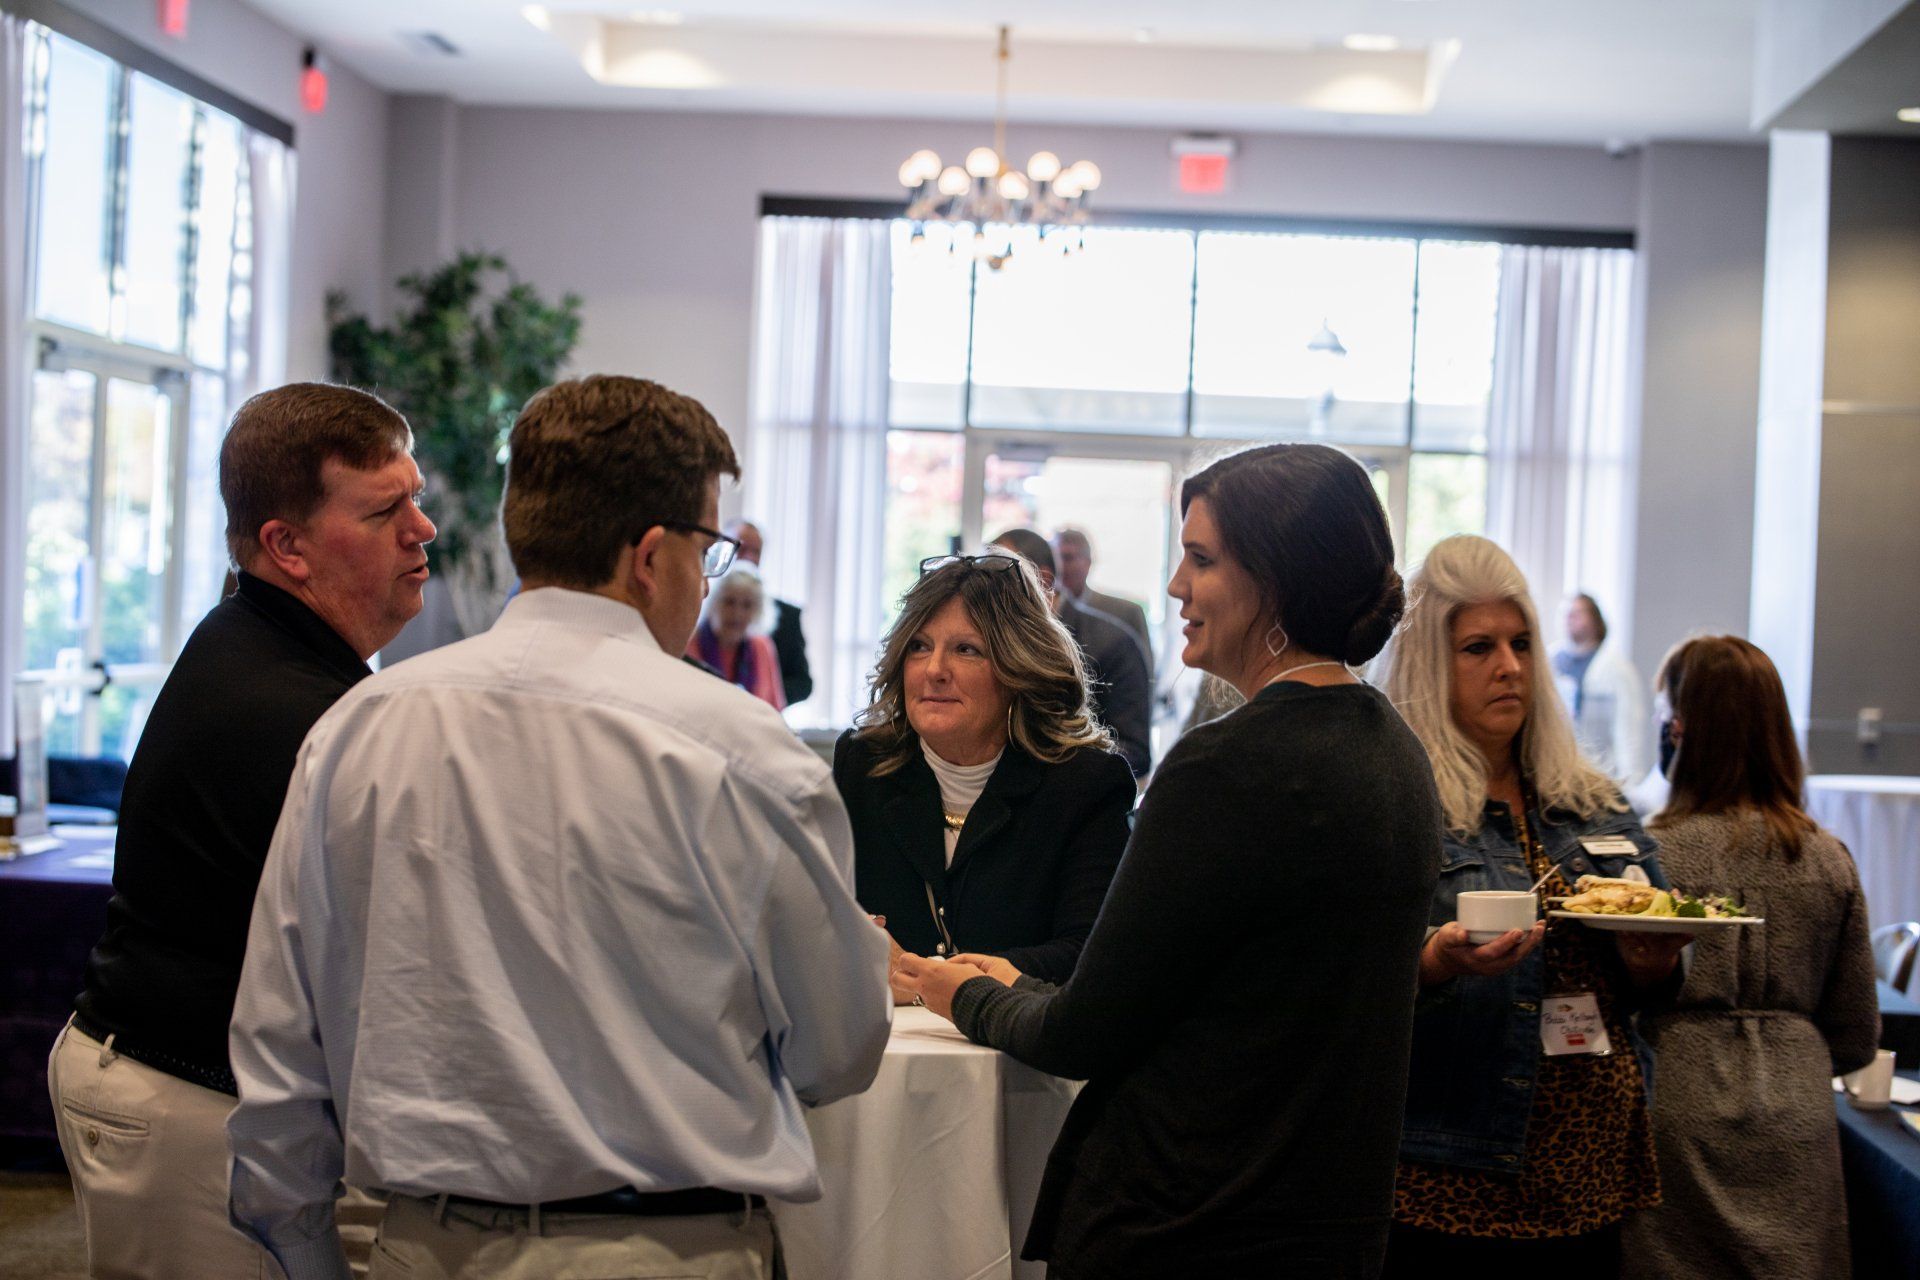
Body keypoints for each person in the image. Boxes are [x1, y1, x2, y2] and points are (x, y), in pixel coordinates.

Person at [225, 375, 891, 1280]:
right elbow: (837, 1048)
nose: (707, 581)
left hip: (419, 1243)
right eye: (710, 550)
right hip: (660, 1249)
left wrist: (307, 1254)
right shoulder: (741, 752)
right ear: (651, 556)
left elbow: (279, 1037)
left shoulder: (359, 727)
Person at [899, 442, 1441, 1276]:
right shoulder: (1397, 752)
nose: (1176, 586)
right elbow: (1227, 997)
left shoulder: (1226, 764)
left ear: (1277, 581)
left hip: (1187, 1223)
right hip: (1327, 1225)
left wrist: (960, 991)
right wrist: (1023, 982)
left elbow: (1087, 1033)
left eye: (1201, 559)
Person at [45, 383, 433, 1280]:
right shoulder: (283, 701)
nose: (423, 529)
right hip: (181, 1098)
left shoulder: (279, 654)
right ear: (286, 546)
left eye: (416, 497)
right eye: (384, 510)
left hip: (209, 1088)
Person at [1372, 535, 1689, 1277]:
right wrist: (1429, 961)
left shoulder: (1593, 802)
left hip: (1588, 1163)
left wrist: (1653, 962)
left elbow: (1663, 973)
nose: (1508, 666)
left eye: (1521, 643)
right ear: (1430, 664)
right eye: (1478, 647)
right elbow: (1336, 970)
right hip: (1443, 1164)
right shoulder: (1397, 804)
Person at [1622, 636, 1879, 1279]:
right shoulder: (1829, 859)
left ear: (1680, 728)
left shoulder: (1645, 856)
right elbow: (1856, 1036)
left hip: (1675, 1107)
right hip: (1799, 1112)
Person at [834, 552, 1134, 987]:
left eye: (966, 650)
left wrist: (932, 977)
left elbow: (1089, 954)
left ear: (1019, 668)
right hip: (885, 1047)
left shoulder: (1083, 784)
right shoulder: (865, 765)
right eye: (919, 646)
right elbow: (817, 918)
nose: (934, 670)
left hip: (1011, 1047)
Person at [990, 528, 1152, 779]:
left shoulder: (1116, 643)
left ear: (1041, 580)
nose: (982, 593)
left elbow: (1134, 751)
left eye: (996, 578)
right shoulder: (992, 641)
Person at [1552, 592, 1649, 784]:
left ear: (1595, 620)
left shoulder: (1616, 669)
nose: (1570, 618)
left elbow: (1628, 730)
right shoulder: (1550, 661)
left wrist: (1632, 780)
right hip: (1557, 771)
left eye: (1578, 613)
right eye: (1566, 613)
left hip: (1601, 773)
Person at [725, 518, 811, 704]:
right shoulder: (700, 617)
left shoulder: (785, 619)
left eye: (755, 551)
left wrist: (763, 694)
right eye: (741, 549)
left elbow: (802, 683)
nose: (748, 558)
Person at [687, 564, 786, 709]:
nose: (737, 613)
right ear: (714, 603)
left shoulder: (762, 646)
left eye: (747, 605)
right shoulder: (690, 642)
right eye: (729, 602)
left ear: (758, 611)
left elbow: (775, 710)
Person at [1052, 527, 1152, 666]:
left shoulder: (1126, 613)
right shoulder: (1044, 614)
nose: (1060, 567)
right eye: (1053, 559)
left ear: (1088, 563)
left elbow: (1143, 674)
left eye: (1067, 558)